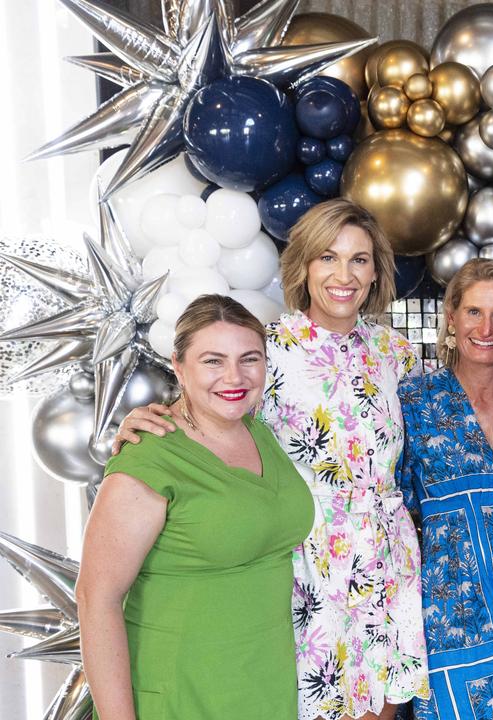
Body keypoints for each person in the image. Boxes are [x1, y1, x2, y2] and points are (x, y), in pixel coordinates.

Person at [112, 199, 430, 720]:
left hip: (386, 557)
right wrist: (142, 422)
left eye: (359, 259)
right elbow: (205, 410)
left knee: (379, 710)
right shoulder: (270, 350)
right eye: (328, 257)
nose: (343, 275)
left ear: (376, 272)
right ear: (304, 265)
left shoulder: (395, 353)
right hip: (307, 561)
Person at [80, 295, 315, 719]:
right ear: (178, 365)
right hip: (178, 693)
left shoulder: (259, 432)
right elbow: (96, 599)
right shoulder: (148, 457)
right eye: (212, 360)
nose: (234, 376)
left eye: (249, 359)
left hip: (263, 687)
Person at [396, 259, 493, 720]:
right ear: (452, 317)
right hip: (448, 613)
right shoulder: (412, 399)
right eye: (474, 312)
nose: (487, 327)